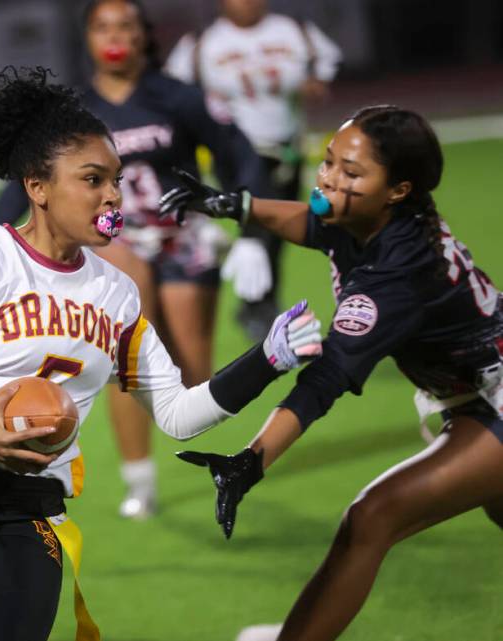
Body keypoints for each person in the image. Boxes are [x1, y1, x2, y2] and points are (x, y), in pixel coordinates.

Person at [0, 66, 322, 641]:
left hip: (26, 511)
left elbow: (178, 413)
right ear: (37, 187)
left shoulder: (116, 293)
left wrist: (266, 361)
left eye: (115, 179)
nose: (113, 195)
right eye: (93, 179)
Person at [161, 106, 503, 641]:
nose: (328, 180)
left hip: (492, 399)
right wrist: (236, 205)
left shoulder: (395, 275)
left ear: (397, 189)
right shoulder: (371, 216)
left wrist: (251, 460)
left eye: (351, 172)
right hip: (472, 395)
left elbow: (326, 379)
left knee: (370, 519)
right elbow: (312, 222)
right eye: (328, 162)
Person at [0, 0, 269, 519]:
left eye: (126, 26)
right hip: (113, 231)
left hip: (182, 235)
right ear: (88, 38)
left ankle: (171, 449)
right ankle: (139, 480)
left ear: (144, 36)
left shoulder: (177, 97)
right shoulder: (69, 111)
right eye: (103, 27)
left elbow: (241, 154)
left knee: (189, 372)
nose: (115, 36)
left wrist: (251, 230)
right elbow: (24, 181)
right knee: (128, 353)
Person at [166, 0, 343, 342]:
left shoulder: (293, 30)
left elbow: (326, 62)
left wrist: (315, 83)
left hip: (286, 147)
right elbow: (175, 91)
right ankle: (255, 304)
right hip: (236, 150)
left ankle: (262, 299)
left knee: (284, 224)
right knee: (258, 220)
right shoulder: (202, 43)